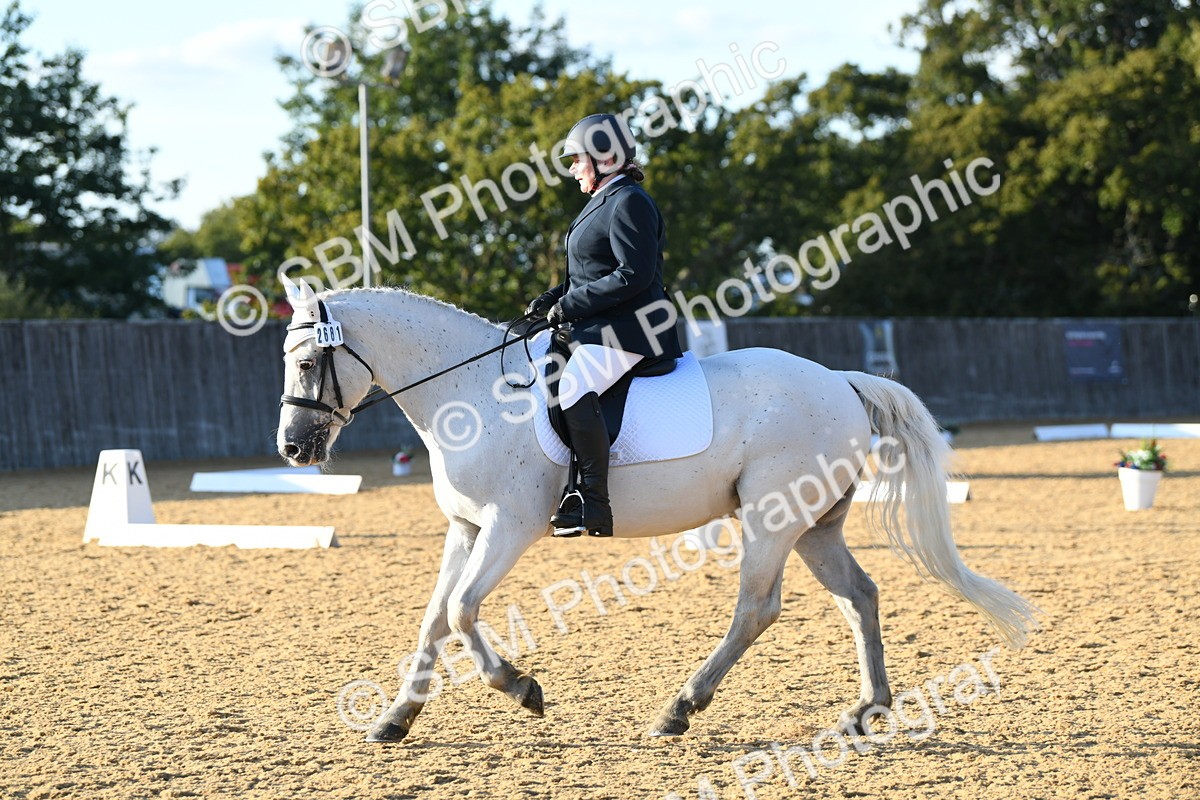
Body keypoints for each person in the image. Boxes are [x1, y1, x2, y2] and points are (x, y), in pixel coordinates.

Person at [525, 113, 683, 538]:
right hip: (601, 325)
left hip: (635, 328)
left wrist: (571, 303)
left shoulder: (630, 200)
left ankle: (593, 501)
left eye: (577, 160)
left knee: (574, 384)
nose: (572, 168)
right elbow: (593, 271)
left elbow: (634, 273)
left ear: (607, 157)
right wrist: (555, 297)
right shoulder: (603, 200)